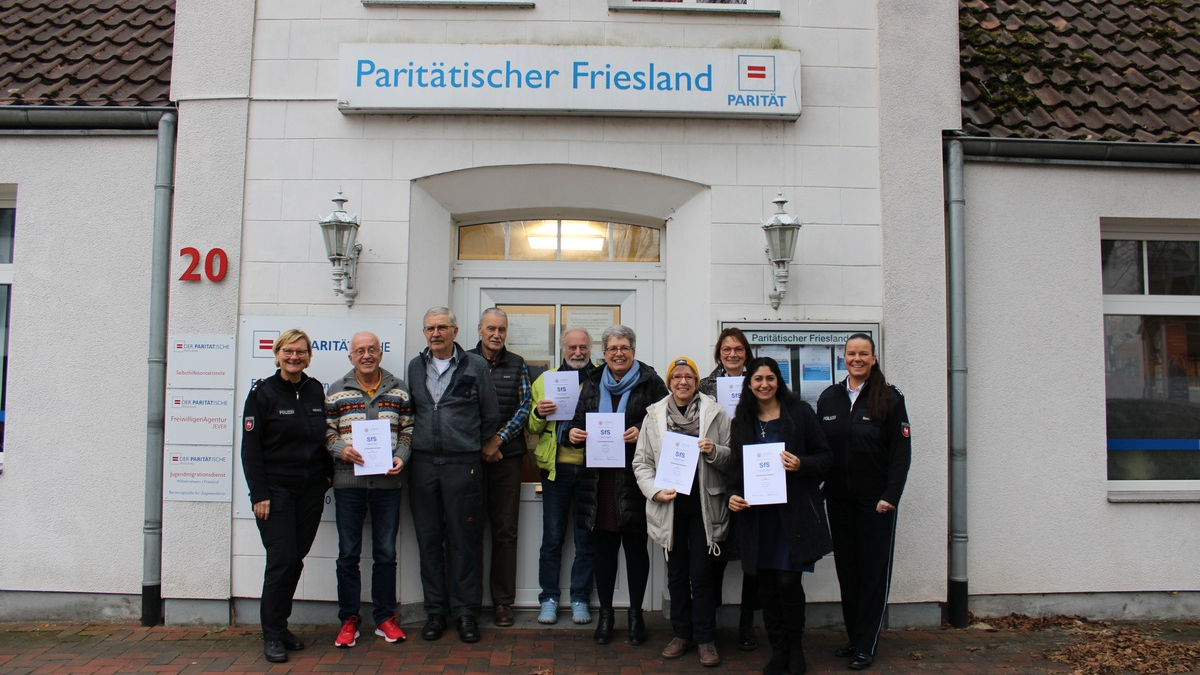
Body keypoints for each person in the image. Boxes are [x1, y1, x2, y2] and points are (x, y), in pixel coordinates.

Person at [728, 357, 832, 675]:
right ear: (749, 384)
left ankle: (796, 647)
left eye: (770, 378)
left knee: (788, 581)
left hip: (792, 516)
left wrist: (801, 464)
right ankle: (778, 649)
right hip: (758, 518)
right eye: (757, 379)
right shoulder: (742, 420)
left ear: (779, 381)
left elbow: (825, 457)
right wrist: (733, 494)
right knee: (766, 587)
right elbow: (735, 469)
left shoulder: (799, 414)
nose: (764, 384)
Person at [566, 325, 667, 646]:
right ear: (604, 354)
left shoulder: (651, 383)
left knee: (636, 551)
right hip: (599, 482)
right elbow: (577, 421)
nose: (618, 353)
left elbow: (669, 421)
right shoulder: (592, 383)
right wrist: (573, 433)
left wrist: (642, 430)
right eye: (612, 349)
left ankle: (636, 615)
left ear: (633, 351)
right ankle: (607, 615)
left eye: (624, 347)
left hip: (636, 480)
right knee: (604, 552)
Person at [817, 333, 911, 671]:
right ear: (843, 357)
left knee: (872, 574)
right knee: (848, 573)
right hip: (839, 500)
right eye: (851, 353)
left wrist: (891, 496)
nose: (857, 358)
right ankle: (855, 637)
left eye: (863, 354)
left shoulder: (889, 398)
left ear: (873, 358)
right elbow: (821, 451)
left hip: (876, 503)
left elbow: (901, 454)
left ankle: (867, 644)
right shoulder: (829, 398)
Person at [406, 307, 500, 644]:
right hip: (423, 465)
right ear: (425, 333)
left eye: (442, 327)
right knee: (429, 540)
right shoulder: (416, 367)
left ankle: (465, 613)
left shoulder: (475, 366)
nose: (436, 333)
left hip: (463, 465)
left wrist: (469, 444)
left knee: (464, 542)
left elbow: (490, 414)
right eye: (430, 328)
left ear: (455, 331)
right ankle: (435, 611)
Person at [240, 329, 333, 664]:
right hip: (275, 491)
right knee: (281, 560)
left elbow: (325, 437)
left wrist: (327, 477)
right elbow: (250, 450)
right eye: (289, 351)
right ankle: (273, 634)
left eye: (301, 352)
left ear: (309, 355)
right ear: (277, 354)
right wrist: (260, 494)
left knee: (295, 558)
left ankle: (281, 625)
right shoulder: (262, 394)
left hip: (309, 489)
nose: (295, 357)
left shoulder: (314, 390)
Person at [633, 356, 731, 668]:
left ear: (697, 380)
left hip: (704, 506)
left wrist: (714, 451)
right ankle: (681, 633)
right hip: (670, 505)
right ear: (669, 382)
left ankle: (705, 638)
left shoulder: (715, 414)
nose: (683, 382)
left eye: (689, 377)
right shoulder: (654, 416)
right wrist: (654, 491)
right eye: (677, 377)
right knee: (676, 574)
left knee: (701, 574)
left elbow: (731, 457)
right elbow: (642, 463)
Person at [325, 331, 414, 648]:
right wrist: (341, 450)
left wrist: (401, 457)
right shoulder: (337, 391)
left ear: (380, 353)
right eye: (360, 350)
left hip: (388, 484)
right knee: (348, 554)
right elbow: (327, 431)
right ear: (351, 356)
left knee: (386, 553)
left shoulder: (399, 390)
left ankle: (384, 618)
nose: (366, 355)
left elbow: (408, 430)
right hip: (349, 484)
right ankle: (349, 619)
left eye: (372, 350)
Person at [467, 308, 532, 628]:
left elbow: (525, 407)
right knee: (469, 530)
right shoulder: (463, 361)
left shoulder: (517, 364)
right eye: (491, 328)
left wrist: (497, 441)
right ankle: (468, 602)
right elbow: (457, 407)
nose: (496, 334)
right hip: (469, 459)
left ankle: (502, 602)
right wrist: (480, 442)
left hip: (507, 457)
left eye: (502, 330)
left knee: (505, 532)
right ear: (479, 329)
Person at [528, 327, 598, 625]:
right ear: (563, 350)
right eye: (572, 347)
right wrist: (539, 414)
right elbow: (531, 428)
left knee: (586, 539)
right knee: (553, 538)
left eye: (583, 347)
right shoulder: (546, 381)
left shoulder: (601, 379)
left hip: (591, 470)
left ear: (590, 349)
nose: (578, 352)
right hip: (556, 470)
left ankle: (581, 598)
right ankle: (550, 598)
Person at [698, 327, 759, 651]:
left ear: (746, 352)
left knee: (752, 553)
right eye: (726, 349)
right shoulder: (706, 386)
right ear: (718, 353)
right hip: (718, 476)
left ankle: (747, 623)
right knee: (715, 551)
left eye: (738, 349)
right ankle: (711, 624)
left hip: (753, 476)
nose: (732, 354)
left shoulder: (761, 381)